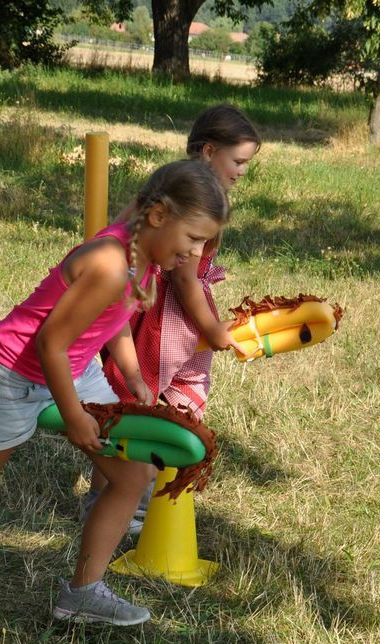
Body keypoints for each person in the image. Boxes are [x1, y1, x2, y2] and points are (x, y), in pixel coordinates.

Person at [0, 159, 230, 629]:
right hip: (14, 371)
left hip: (76, 366)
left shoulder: (144, 252)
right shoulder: (111, 264)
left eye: (203, 243)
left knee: (132, 477)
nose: (195, 253)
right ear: (158, 216)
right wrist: (74, 417)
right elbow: (49, 343)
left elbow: (110, 321)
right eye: (193, 238)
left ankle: (83, 593)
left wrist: (132, 375)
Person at [83, 104, 261, 531]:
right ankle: (124, 504)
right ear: (209, 150)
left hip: (155, 309)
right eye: (238, 161)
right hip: (163, 320)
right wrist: (212, 328)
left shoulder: (176, 186)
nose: (241, 172)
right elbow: (184, 278)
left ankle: (112, 498)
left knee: (133, 404)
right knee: (142, 407)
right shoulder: (194, 201)